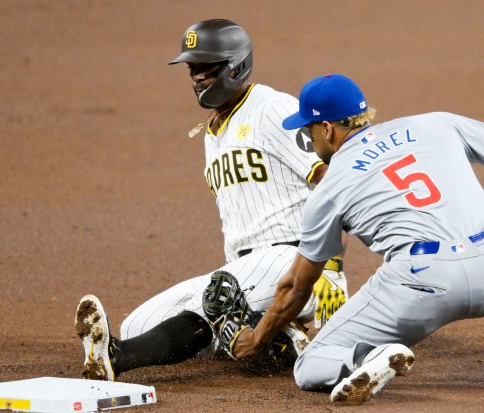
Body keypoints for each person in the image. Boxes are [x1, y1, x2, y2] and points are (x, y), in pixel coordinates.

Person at [230, 74, 484, 405]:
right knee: (482, 248)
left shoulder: (330, 188)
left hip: (423, 285)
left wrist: (258, 338)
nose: (308, 139)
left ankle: (367, 358)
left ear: (327, 129)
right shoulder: (436, 123)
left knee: (309, 367)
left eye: (308, 130)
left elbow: (296, 287)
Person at [74, 20, 348, 381]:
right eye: (192, 69)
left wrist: (331, 266)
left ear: (236, 65)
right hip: (245, 272)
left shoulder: (272, 109)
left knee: (216, 301)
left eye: (207, 67)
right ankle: (278, 340)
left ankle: (117, 358)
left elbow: (335, 183)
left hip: (296, 261)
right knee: (138, 322)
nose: (198, 77)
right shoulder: (212, 133)